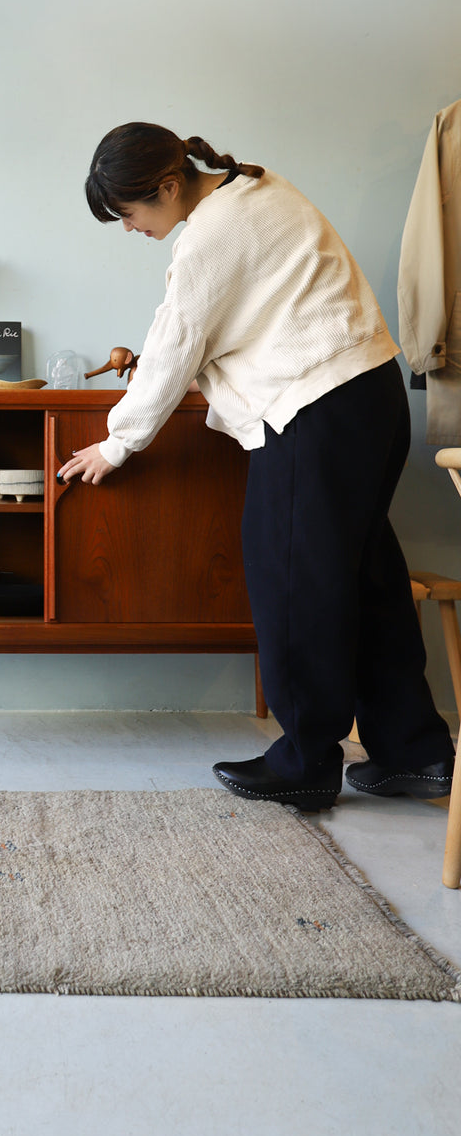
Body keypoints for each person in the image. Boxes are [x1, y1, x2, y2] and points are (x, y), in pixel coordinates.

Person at [57, 121, 456, 809]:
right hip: (368, 396)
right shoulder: (258, 188)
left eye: (128, 213)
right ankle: (413, 753)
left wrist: (117, 443)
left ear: (168, 186)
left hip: (316, 410)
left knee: (295, 583)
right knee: (364, 580)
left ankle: (304, 762)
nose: (128, 228)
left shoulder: (212, 234)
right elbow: (218, 325)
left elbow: (179, 337)